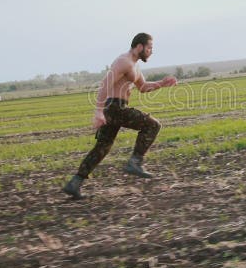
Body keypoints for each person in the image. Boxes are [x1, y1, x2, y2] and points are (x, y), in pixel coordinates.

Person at [63, 33, 177, 200]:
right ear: (139, 47)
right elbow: (105, 84)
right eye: (149, 47)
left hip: (115, 108)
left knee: (102, 147)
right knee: (153, 125)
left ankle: (74, 183)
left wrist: (161, 83)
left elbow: (143, 87)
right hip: (114, 107)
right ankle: (135, 162)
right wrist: (98, 111)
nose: (151, 51)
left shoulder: (135, 66)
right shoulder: (123, 61)